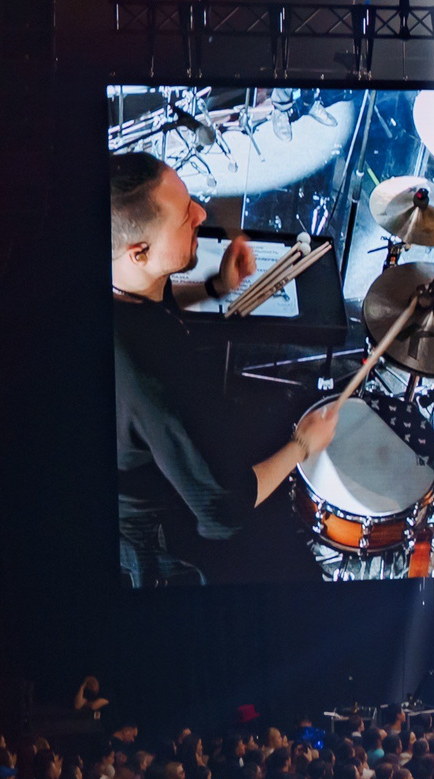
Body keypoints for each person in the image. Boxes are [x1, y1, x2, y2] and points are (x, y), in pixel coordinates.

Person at [110, 153, 339, 584]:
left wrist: (219, 287)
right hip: (168, 530)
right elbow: (221, 512)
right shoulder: (149, 370)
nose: (201, 213)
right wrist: (302, 446)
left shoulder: (123, 273)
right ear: (139, 252)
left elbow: (155, 300)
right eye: (185, 217)